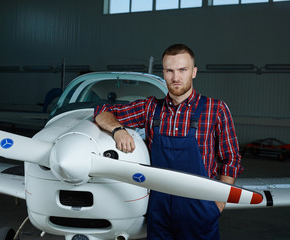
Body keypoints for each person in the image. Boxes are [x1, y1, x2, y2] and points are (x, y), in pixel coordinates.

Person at [94, 43, 242, 240]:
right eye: (170, 71)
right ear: (163, 73)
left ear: (194, 72)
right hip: (159, 211)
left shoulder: (216, 109)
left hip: (200, 210)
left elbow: (231, 159)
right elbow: (101, 113)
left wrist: (218, 203)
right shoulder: (150, 108)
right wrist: (118, 130)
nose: (176, 77)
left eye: (182, 70)